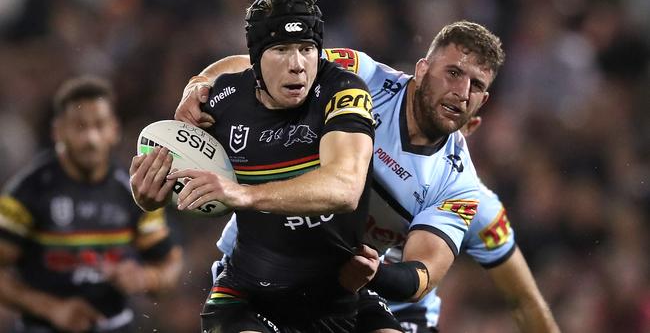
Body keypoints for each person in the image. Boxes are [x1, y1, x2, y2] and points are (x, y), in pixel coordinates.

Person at [177, 20, 502, 304]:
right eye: (454, 73)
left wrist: (375, 274)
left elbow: (423, 275)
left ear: (483, 102)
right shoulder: (363, 75)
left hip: (338, 290)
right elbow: (263, 69)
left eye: (477, 85)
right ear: (422, 69)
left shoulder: (458, 184)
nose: (462, 92)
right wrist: (201, 83)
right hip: (262, 258)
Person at [129, 0, 387, 333]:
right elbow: (174, 179)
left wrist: (245, 194)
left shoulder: (343, 90)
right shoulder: (221, 102)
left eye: (306, 48)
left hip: (340, 293)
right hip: (249, 293)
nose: (297, 65)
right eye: (280, 49)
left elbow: (345, 188)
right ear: (255, 59)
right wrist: (149, 197)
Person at [0, 76, 183, 333]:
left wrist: (145, 278)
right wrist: (51, 308)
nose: (91, 138)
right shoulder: (28, 192)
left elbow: (170, 265)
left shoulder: (133, 192)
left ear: (114, 130)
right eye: (80, 126)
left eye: (99, 125)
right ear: (58, 131)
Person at [386, 115, 560, 332]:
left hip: (400, 316)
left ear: (469, 127)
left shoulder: (480, 208)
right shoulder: (366, 135)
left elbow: (525, 301)